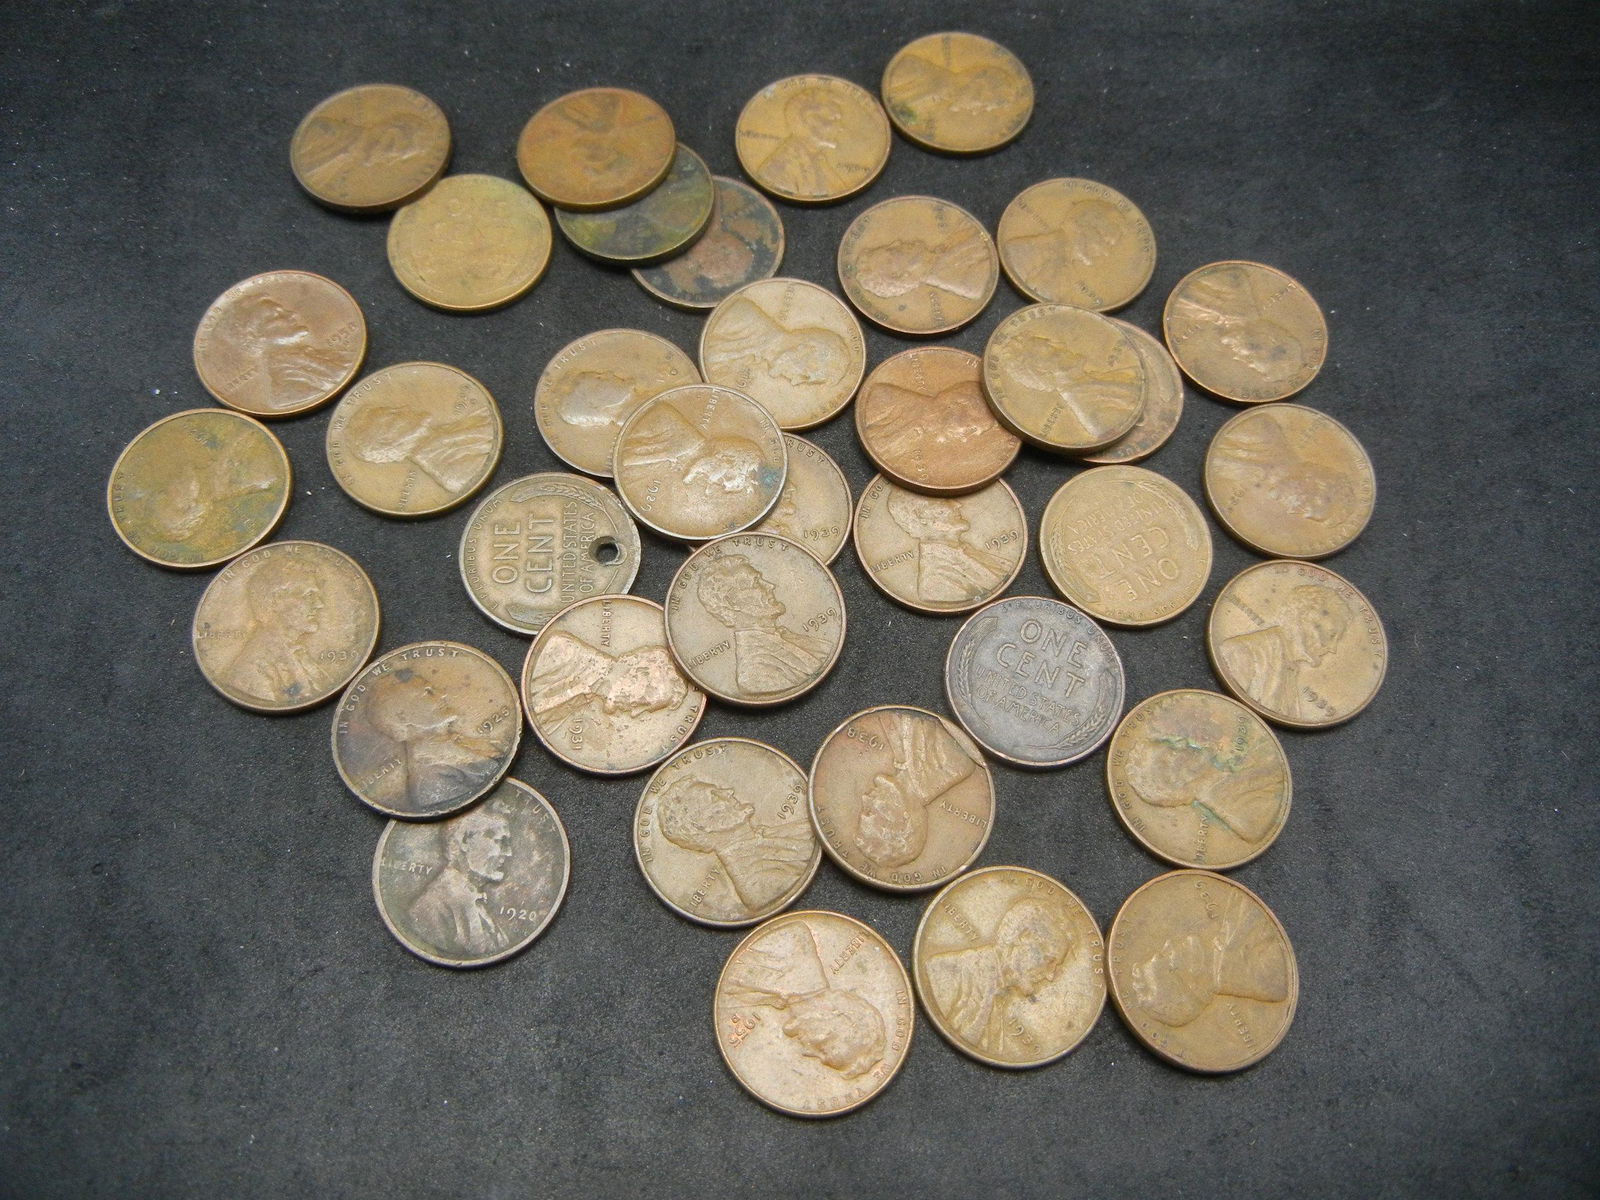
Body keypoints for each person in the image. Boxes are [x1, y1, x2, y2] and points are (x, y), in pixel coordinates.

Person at [723, 921, 886, 1079]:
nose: (807, 1052)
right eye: (824, 1048)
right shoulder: (793, 943)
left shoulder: (780, 998)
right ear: (837, 1017)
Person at [923, 897, 1075, 1055]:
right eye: (1050, 960)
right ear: (1024, 938)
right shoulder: (941, 971)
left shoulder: (997, 1001)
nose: (1050, 975)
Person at [1126, 888, 1291, 1028]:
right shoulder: (1263, 976)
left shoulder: (1226, 949)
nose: (1168, 944)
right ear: (1190, 982)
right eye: (1166, 955)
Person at [1123, 703, 1283, 844]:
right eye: (1171, 753)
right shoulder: (1239, 809)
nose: (1184, 745)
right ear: (1176, 785)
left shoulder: (1246, 766)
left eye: (1176, 744)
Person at [655, 775, 812, 913]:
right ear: (704, 825)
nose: (728, 791)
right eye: (714, 796)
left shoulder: (770, 834)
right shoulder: (758, 887)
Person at [362, 670, 504, 814]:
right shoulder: (429, 783)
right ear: (402, 716)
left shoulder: (461, 743)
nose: (442, 694)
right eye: (428, 692)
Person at [852, 710, 980, 868]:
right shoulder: (952, 765)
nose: (865, 798)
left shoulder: (911, 767)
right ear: (900, 820)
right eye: (869, 812)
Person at [525, 631, 691, 750]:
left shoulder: (585, 700)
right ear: (638, 673)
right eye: (644, 703)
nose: (635, 713)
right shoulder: (563, 651)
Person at [694, 554, 833, 696]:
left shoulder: (785, 635)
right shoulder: (755, 675)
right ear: (732, 602)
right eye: (756, 582)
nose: (770, 586)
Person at [1217, 584, 1354, 719]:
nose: (1333, 648)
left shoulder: (1290, 668)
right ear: (1304, 619)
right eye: (1331, 634)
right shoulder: (1242, 650)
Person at [1170, 266, 1306, 387]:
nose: (1238, 358)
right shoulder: (1233, 284)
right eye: (1249, 358)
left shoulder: (1211, 326)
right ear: (1265, 340)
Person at [408, 807, 516, 957]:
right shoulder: (431, 907)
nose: (508, 853)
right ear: (465, 841)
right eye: (499, 841)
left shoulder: (474, 899)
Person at [1005, 330, 1142, 443]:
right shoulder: (1090, 407)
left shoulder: (1094, 380)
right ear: (1041, 367)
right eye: (1049, 347)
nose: (1061, 344)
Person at [223, 555, 326, 703]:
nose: (319, 604)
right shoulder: (251, 672)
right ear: (275, 600)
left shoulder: (297, 652)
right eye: (309, 595)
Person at [884, 490, 1010, 606]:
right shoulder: (935, 583)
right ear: (923, 519)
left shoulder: (967, 551)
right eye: (943, 501)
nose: (957, 504)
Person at [343, 401, 496, 497]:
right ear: (388, 441)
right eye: (393, 415)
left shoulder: (452, 429)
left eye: (393, 408)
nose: (404, 406)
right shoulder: (455, 474)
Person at [702, 297, 851, 393]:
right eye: (805, 374)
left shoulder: (753, 358)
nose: (795, 382)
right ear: (805, 349)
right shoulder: (742, 316)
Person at [755, 86, 855, 198]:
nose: (841, 128)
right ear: (811, 120)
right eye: (834, 119)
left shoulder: (818, 160)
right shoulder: (778, 170)